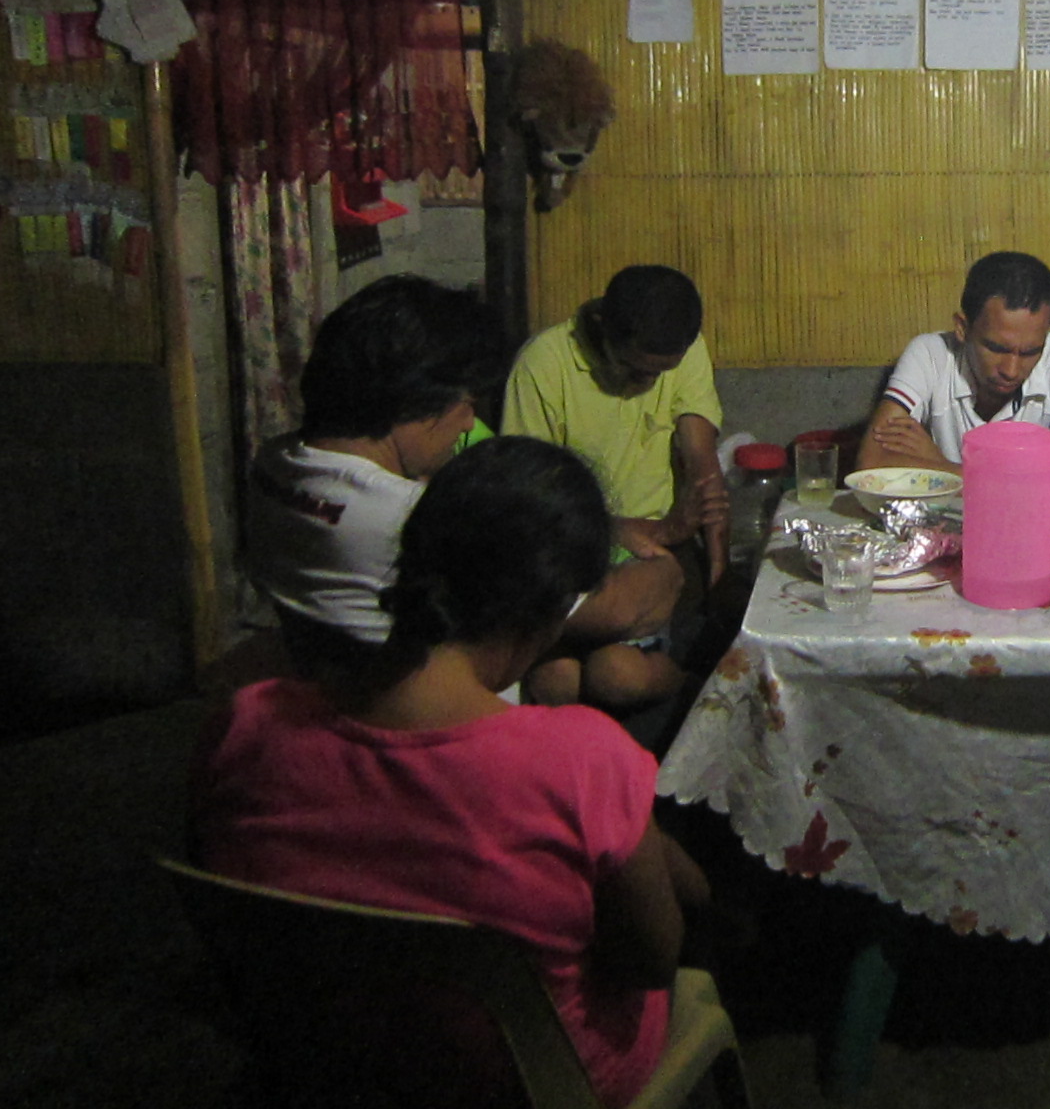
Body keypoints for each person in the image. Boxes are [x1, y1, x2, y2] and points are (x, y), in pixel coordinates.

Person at [194, 436, 708, 1108]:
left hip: (324, 1066)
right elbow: (648, 960)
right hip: (530, 1085)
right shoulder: (581, 760)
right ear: (550, 612)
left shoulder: (247, 725)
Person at [249, 274, 683, 711]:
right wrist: (666, 569)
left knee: (563, 675)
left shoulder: (273, 466)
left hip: (339, 698)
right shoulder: (421, 521)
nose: (467, 424)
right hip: (456, 723)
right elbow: (618, 610)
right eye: (467, 404)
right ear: (418, 401)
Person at [503, 265, 730, 705]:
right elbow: (529, 502)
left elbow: (703, 468)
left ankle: (689, 688)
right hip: (574, 546)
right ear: (601, 326)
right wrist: (632, 530)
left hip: (659, 551)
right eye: (632, 368)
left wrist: (719, 574)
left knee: (616, 675)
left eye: (658, 374)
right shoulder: (543, 365)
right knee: (555, 682)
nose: (644, 383)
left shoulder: (682, 347)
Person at [858, 251, 1050, 491]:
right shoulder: (930, 354)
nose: (1011, 370)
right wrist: (1028, 480)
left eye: (1030, 352)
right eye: (996, 348)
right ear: (963, 329)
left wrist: (939, 465)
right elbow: (870, 466)